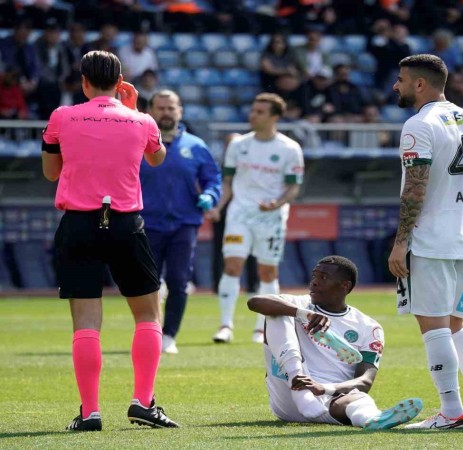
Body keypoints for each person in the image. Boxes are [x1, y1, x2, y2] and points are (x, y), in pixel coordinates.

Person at [41, 51, 178, 431]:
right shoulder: (142, 120)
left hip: (78, 224)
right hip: (125, 223)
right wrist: (131, 110)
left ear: (83, 82)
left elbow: (50, 172)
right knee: (148, 315)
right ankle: (143, 403)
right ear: (121, 83)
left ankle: (90, 412)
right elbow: (157, 159)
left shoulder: (61, 116)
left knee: (86, 322)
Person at [388, 54, 463, 430]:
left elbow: (414, 189)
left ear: (420, 84)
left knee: (434, 326)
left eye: (401, 79)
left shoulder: (418, 125)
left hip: (432, 240)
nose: (396, 86)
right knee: (455, 325)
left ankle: (451, 412)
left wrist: (401, 242)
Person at [248, 255, 423, 430]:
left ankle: (372, 419)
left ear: (345, 286)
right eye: (314, 276)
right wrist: (303, 314)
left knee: (359, 400)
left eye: (323, 277)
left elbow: (364, 381)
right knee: (277, 311)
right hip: (289, 392)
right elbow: (254, 302)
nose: (314, 282)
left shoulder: (369, 327)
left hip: (329, 398)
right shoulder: (298, 303)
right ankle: (298, 382)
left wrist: (324, 388)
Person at [206, 93, 304, 344]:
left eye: (260, 112)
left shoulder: (289, 149)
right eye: (253, 110)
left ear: (274, 117)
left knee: (267, 271)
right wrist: (218, 207)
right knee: (232, 265)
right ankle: (225, 325)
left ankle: (262, 328)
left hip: (271, 218)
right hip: (239, 214)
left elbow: (293, 187)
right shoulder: (238, 145)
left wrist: (276, 203)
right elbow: (227, 182)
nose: (253, 115)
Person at [140, 90, 222, 354]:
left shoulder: (196, 146)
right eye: (160, 108)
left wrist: (210, 195)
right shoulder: (138, 142)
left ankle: (169, 335)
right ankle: (150, 332)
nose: (166, 113)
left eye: (171, 108)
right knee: (146, 283)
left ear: (180, 111)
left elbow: (213, 178)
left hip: (184, 224)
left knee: (178, 279)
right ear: (150, 111)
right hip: (145, 224)